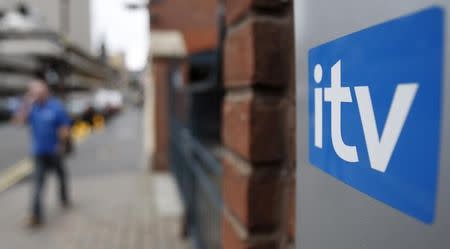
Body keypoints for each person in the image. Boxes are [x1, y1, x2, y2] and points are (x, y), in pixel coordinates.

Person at [12, 80, 72, 227]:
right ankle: (35, 216)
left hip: (54, 151)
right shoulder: (32, 108)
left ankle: (64, 198)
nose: (37, 95)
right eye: (34, 92)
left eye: (40, 92)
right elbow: (18, 121)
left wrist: (62, 145)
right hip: (39, 152)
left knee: (61, 175)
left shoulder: (55, 106)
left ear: (46, 92)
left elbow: (64, 127)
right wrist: (26, 102)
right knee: (38, 184)